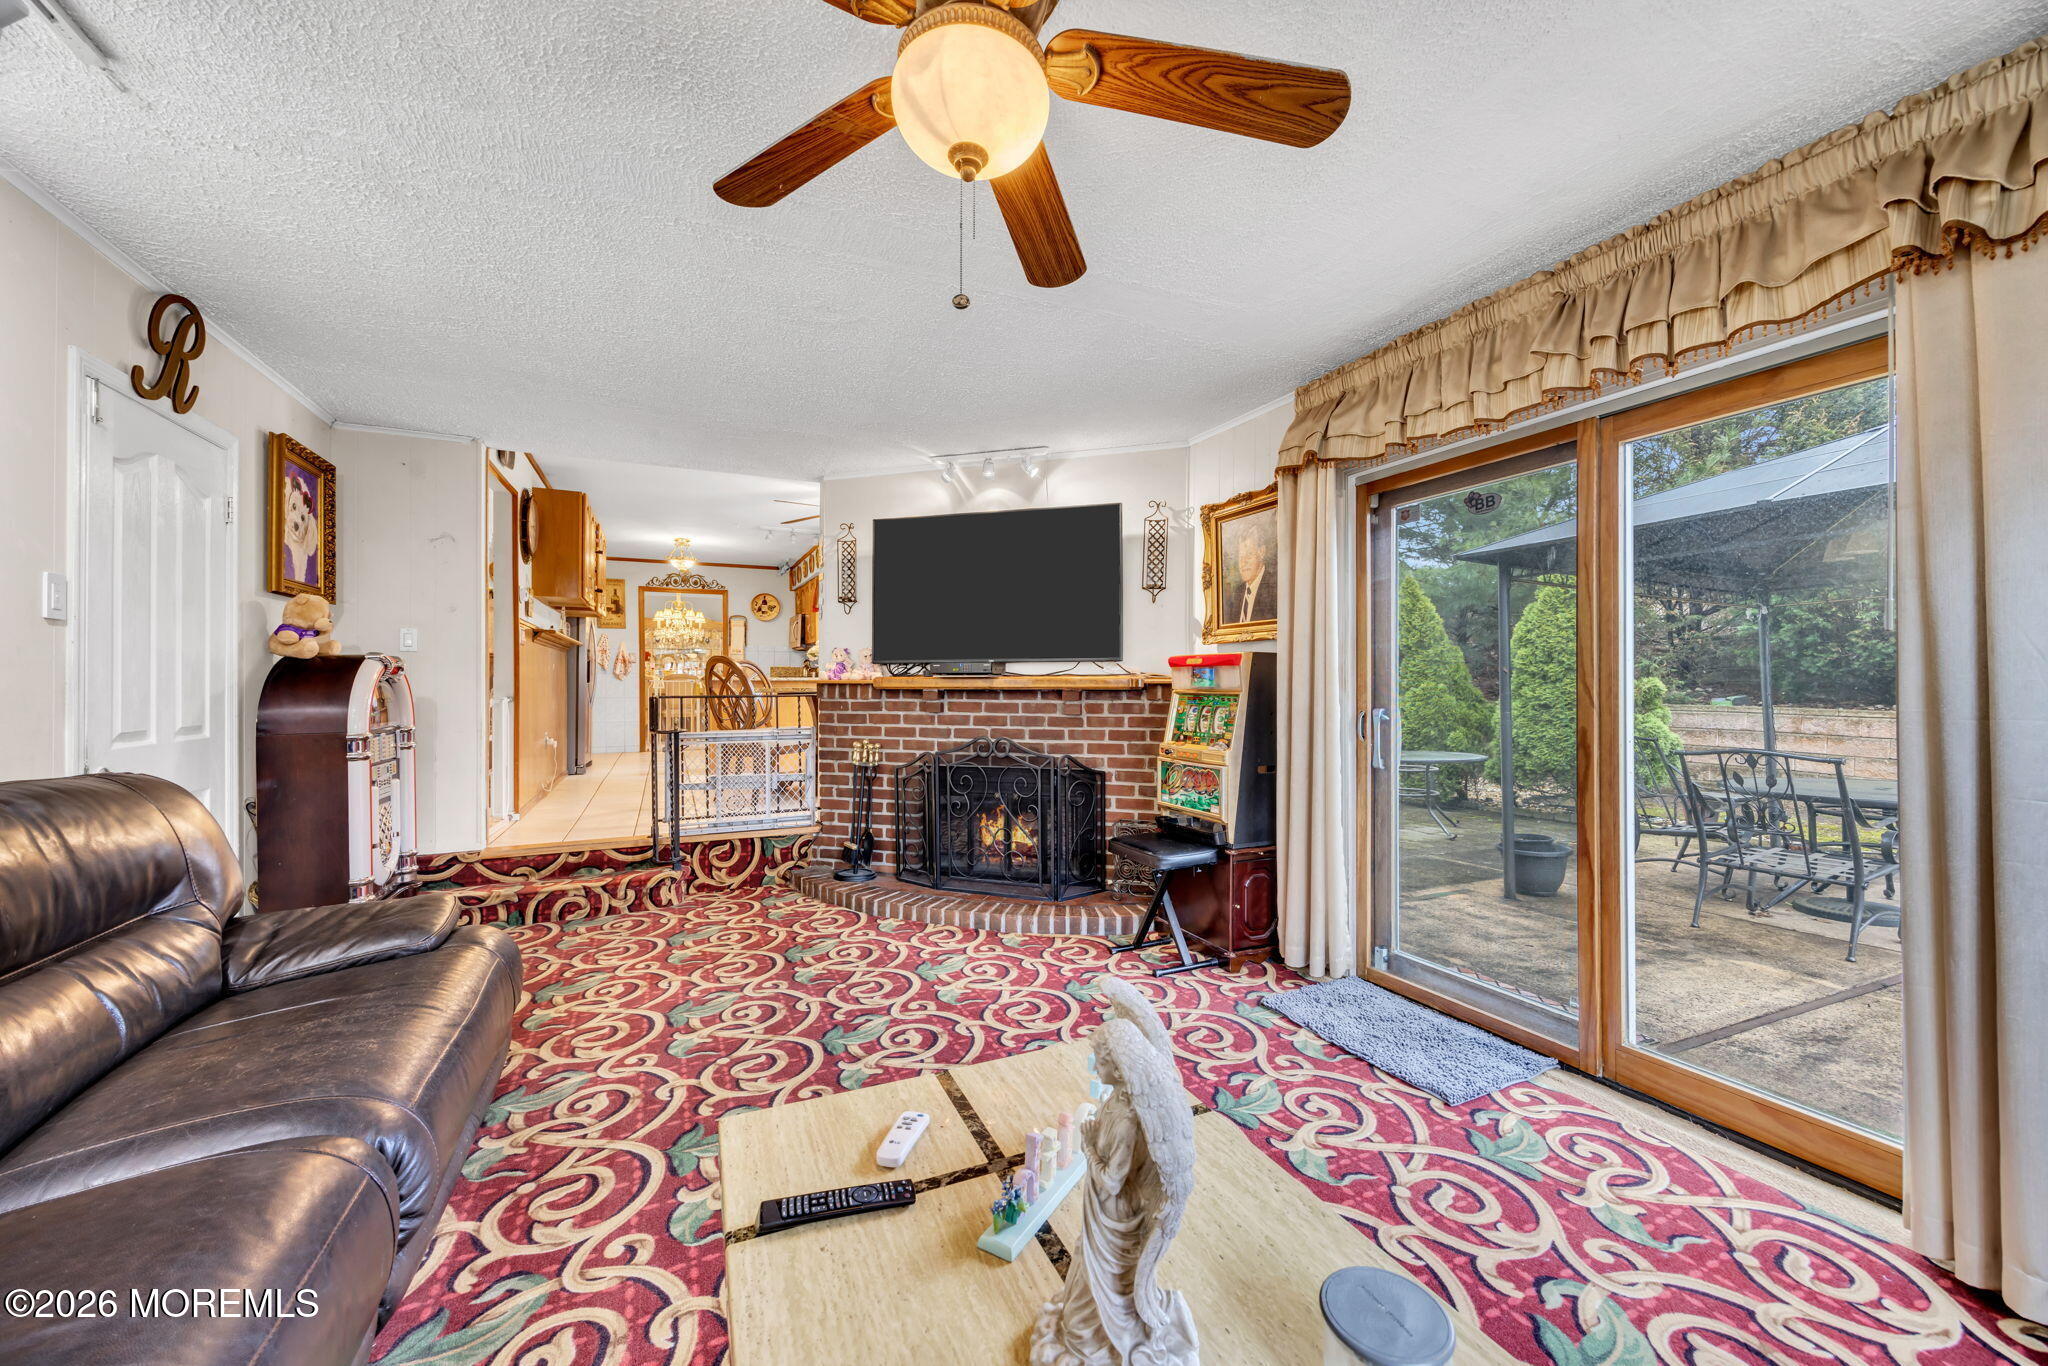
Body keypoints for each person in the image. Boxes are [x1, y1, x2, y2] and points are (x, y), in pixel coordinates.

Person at [1226, 516, 1276, 623]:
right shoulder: (1238, 593)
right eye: (1241, 556)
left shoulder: (1274, 589)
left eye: (1249, 555)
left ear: (1261, 552)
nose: (1243, 562)